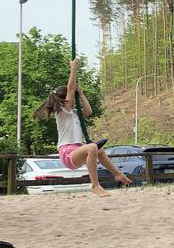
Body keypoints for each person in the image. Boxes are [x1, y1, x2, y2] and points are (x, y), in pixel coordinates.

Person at [34, 59, 131, 197]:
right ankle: (95, 185)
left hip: (76, 150)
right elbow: (70, 88)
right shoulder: (62, 112)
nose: (72, 98)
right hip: (68, 153)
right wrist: (73, 68)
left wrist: (81, 93)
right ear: (64, 99)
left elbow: (88, 111)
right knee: (92, 147)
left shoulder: (73, 114)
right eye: (71, 96)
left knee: (100, 150)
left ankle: (118, 174)